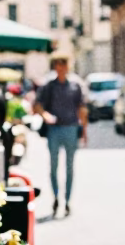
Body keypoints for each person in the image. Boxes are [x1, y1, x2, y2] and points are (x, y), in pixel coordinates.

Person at [33, 56, 88, 217]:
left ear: (68, 67)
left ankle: (68, 200)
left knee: (70, 167)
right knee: (54, 166)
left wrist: (84, 131)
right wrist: (46, 116)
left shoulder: (75, 86)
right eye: (58, 65)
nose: (61, 68)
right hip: (54, 130)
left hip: (71, 128)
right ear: (55, 67)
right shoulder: (49, 86)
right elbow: (37, 105)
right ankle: (56, 197)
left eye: (64, 65)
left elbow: (82, 109)